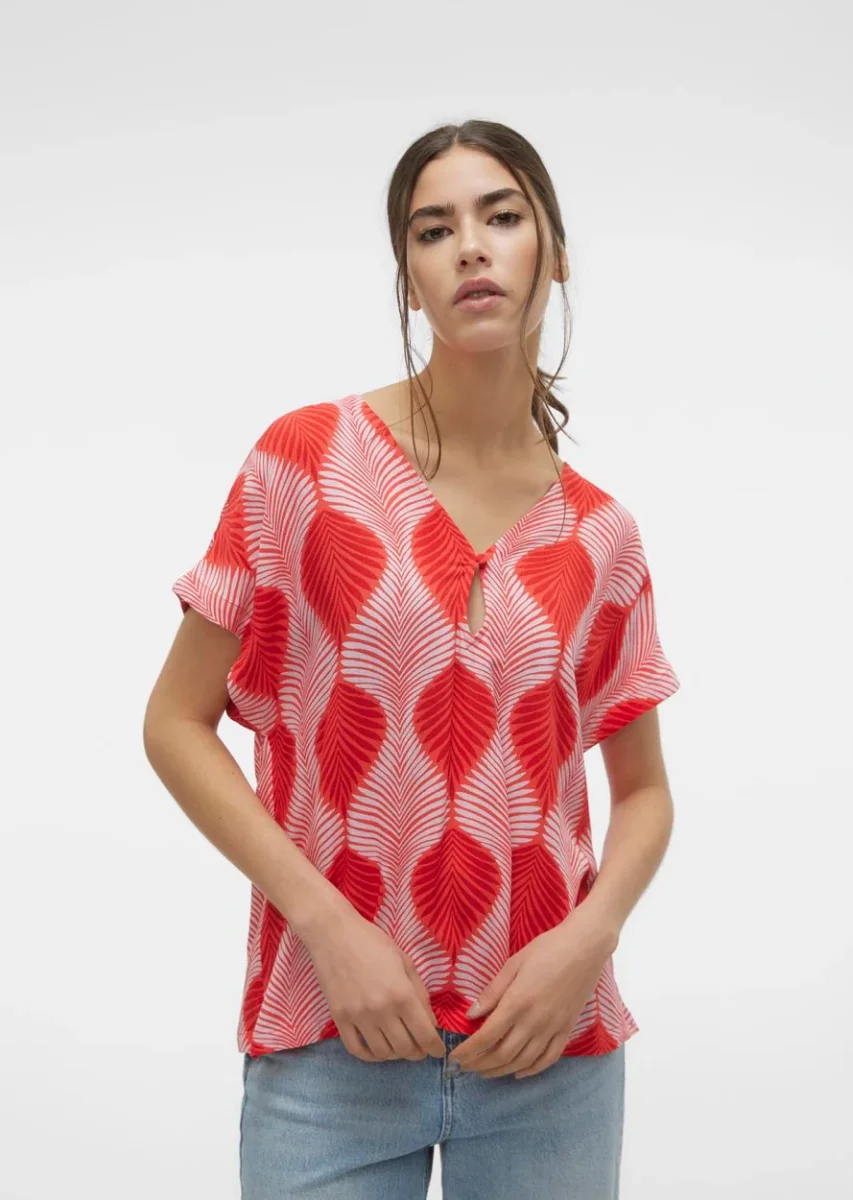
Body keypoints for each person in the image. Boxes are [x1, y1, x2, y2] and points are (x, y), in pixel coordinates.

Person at [144, 118, 681, 1199]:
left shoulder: (602, 535)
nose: (470, 247)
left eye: (502, 216)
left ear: (555, 252)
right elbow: (174, 723)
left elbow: (645, 793)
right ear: (409, 281)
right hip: (330, 1039)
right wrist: (324, 925)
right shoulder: (305, 464)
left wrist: (590, 940)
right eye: (434, 230)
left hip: (549, 1052)